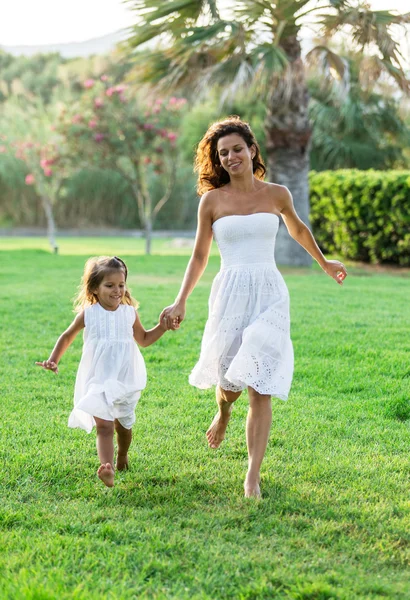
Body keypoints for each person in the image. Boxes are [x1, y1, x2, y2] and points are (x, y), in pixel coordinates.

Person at [161, 117, 347, 499]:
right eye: (223, 153)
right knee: (229, 383)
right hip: (230, 291)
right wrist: (181, 299)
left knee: (259, 384)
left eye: (236, 149)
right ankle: (224, 411)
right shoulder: (211, 201)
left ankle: (252, 476)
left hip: (269, 292)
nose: (231, 157)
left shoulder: (277, 194)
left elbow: (297, 229)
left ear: (252, 150)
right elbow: (199, 256)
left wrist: (324, 263)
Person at [36, 255, 175, 488]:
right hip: (98, 378)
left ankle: (122, 455)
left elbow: (144, 339)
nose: (117, 290)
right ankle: (107, 467)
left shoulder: (129, 313)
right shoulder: (89, 313)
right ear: (95, 288)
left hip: (125, 378)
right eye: (109, 285)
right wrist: (53, 359)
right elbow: (67, 336)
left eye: (121, 285)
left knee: (124, 425)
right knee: (104, 425)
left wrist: (162, 326)